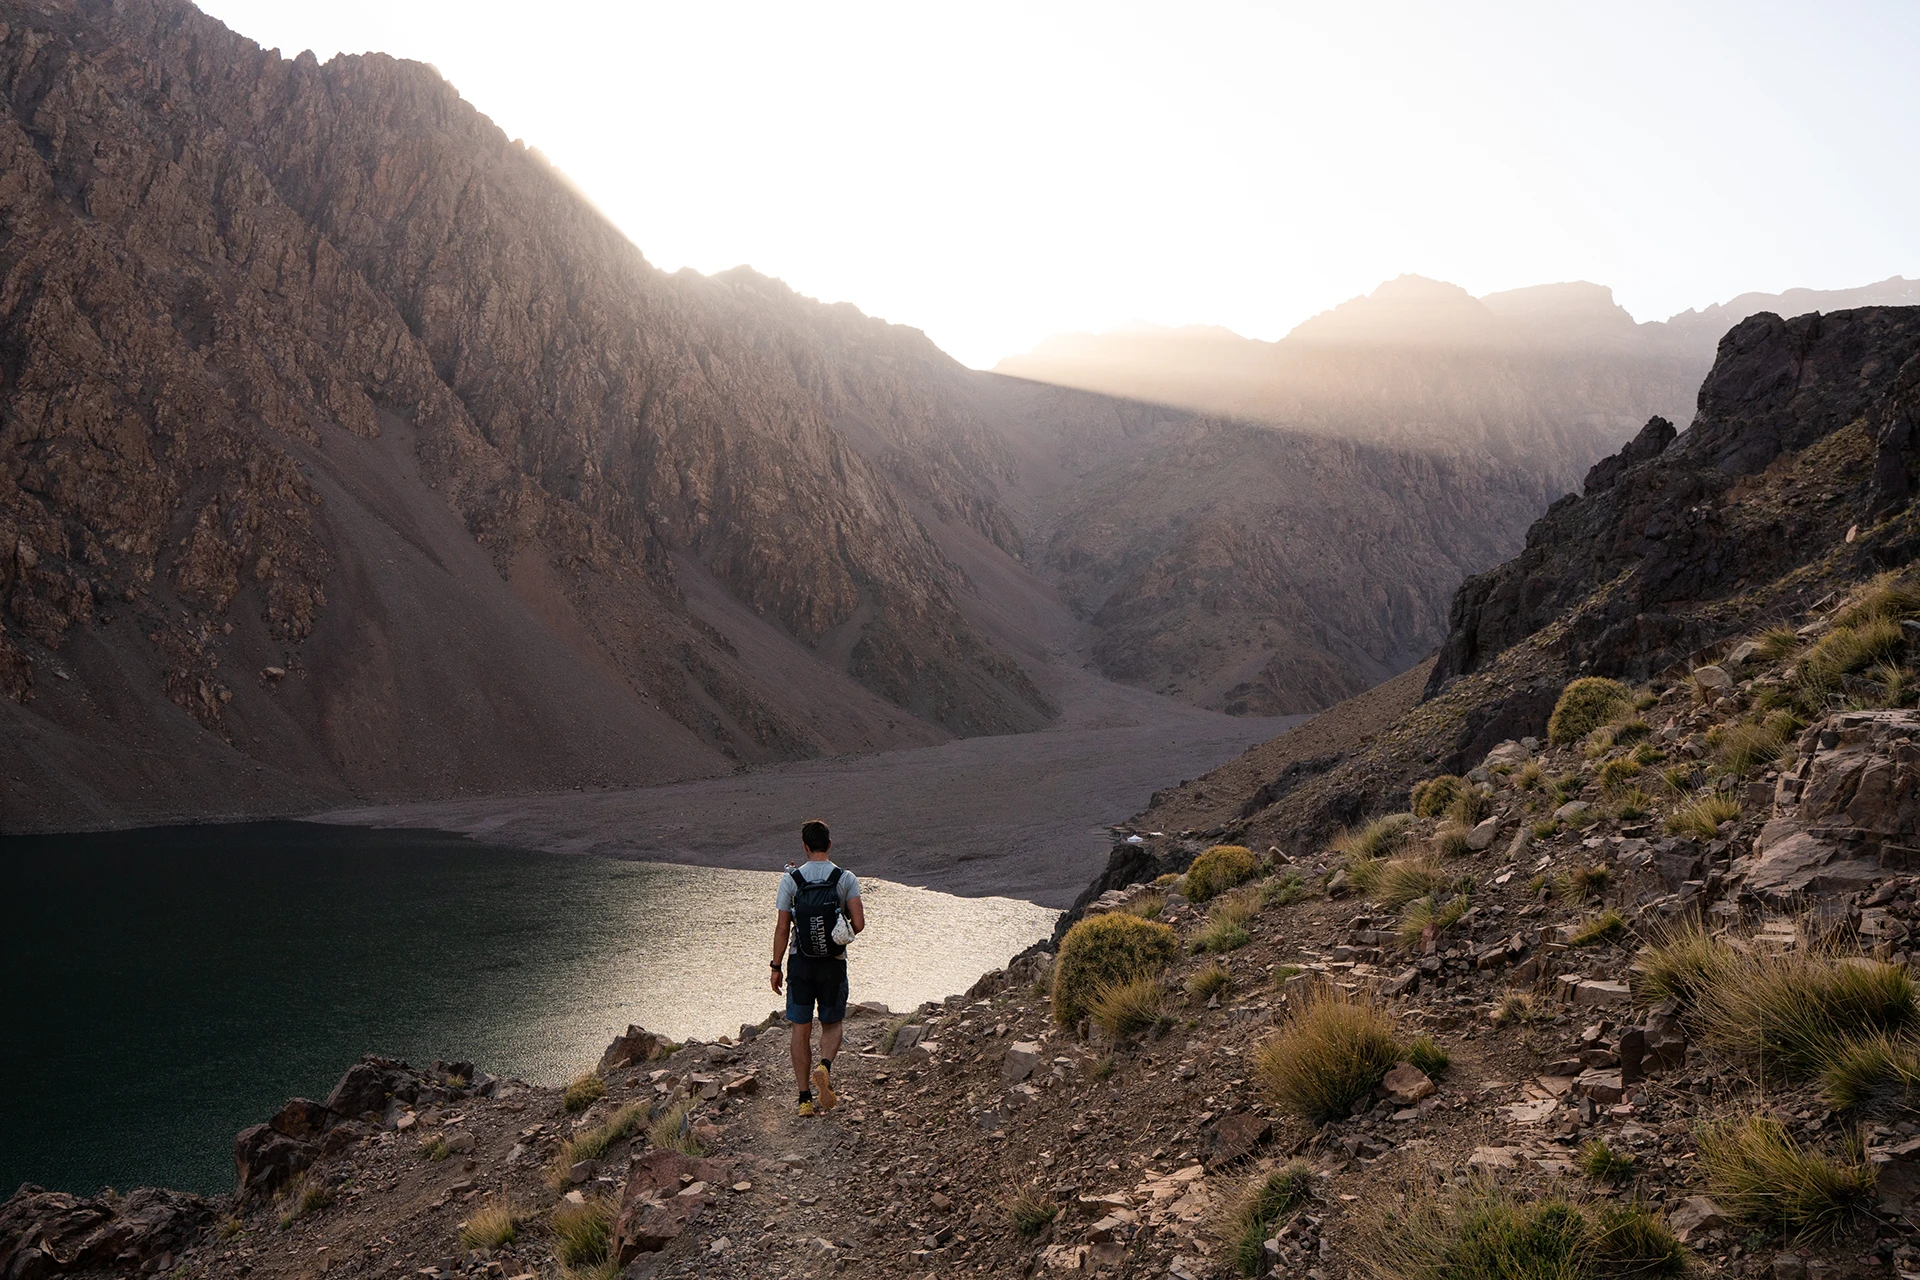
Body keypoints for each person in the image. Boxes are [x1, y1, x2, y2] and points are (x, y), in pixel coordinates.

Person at [770, 819, 865, 1116]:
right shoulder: (845, 878)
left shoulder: (791, 880)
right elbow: (859, 924)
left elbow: (782, 928)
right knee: (832, 1023)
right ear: (830, 845)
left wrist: (776, 967)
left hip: (801, 963)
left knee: (801, 1029)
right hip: (833, 965)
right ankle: (824, 1066)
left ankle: (804, 1100)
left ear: (805, 847)